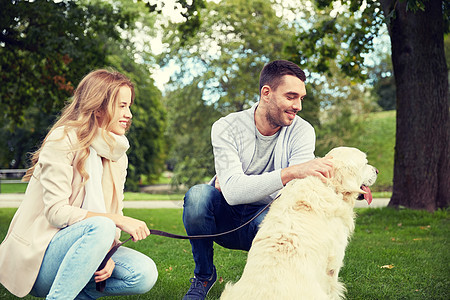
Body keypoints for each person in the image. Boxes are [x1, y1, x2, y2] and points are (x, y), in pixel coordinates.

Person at [182, 60, 334, 300]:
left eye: (301, 98)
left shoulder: (302, 131)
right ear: (266, 93)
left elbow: (297, 194)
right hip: (225, 219)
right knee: (199, 196)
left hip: (268, 220)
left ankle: (274, 287)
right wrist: (290, 173)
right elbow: (232, 194)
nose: (298, 106)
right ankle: (203, 276)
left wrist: (241, 185)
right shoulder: (226, 127)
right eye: (291, 96)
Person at [0, 69, 158, 299]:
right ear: (99, 107)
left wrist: (109, 254)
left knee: (144, 273)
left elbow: (113, 212)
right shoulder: (63, 139)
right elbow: (56, 212)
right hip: (40, 258)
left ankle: (71, 292)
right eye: (122, 106)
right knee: (102, 224)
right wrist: (117, 221)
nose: (129, 114)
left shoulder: (117, 154)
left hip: (87, 246)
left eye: (129, 105)